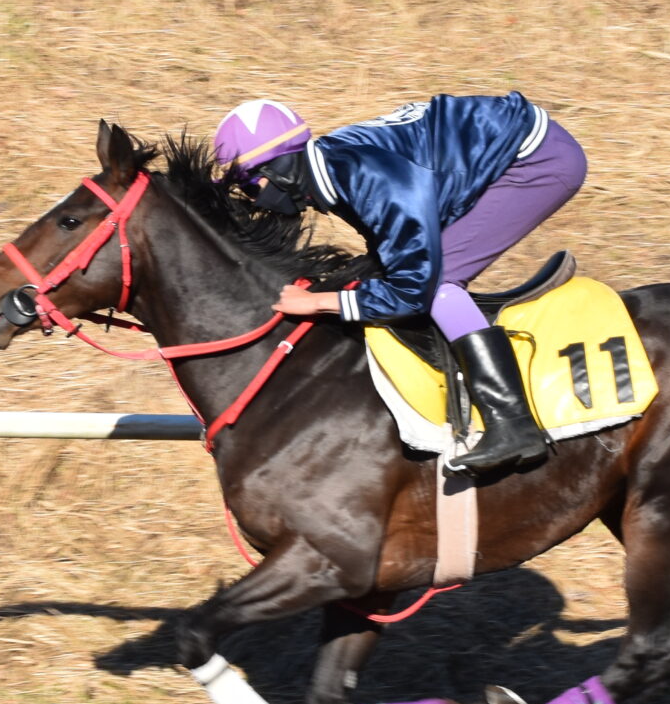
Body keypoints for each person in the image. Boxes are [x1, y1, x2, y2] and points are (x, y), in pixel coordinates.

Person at [212, 92, 586, 474]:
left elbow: (412, 291)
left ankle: (514, 424)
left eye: (250, 186)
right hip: (499, 146)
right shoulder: (331, 170)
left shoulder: (366, 178)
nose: (255, 200)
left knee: (440, 283)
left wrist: (321, 302)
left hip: (538, 161)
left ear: (278, 171)